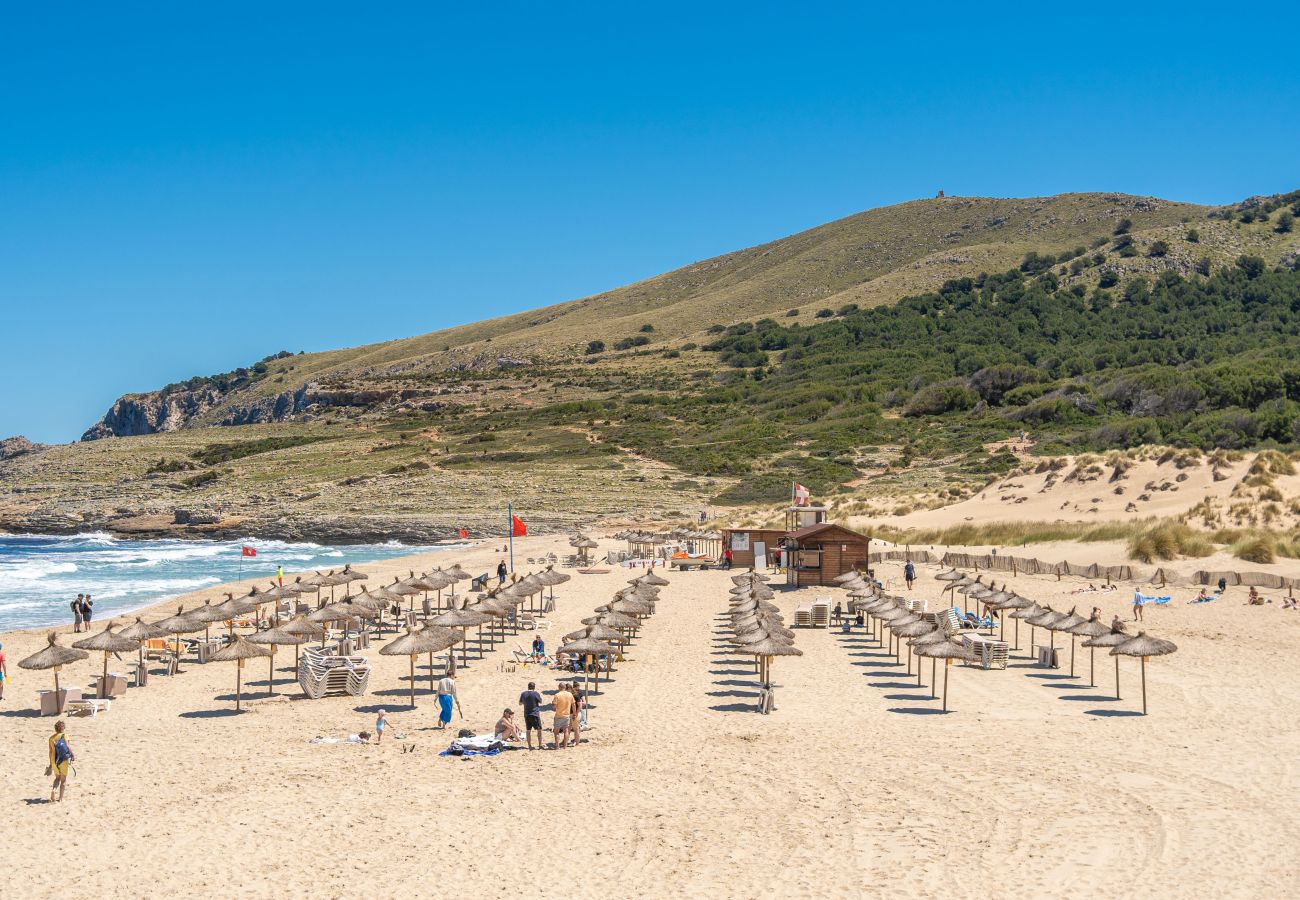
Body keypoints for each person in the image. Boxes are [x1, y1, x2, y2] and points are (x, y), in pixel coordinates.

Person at [47, 720, 74, 803]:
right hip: (63, 760)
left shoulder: (51, 738)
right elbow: (68, 747)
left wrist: (51, 764)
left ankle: (54, 790)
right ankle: (61, 798)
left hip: (55, 761)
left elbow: (51, 752)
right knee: (63, 780)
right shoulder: (65, 736)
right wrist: (72, 754)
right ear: (63, 728)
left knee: (57, 778)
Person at [519, 681, 544, 749]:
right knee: (539, 729)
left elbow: (520, 703)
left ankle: (529, 746)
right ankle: (540, 745)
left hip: (527, 714)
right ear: (534, 687)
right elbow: (541, 701)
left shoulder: (523, 693)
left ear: (528, 686)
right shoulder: (535, 693)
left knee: (528, 730)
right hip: (535, 714)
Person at [552, 682, 575, 750]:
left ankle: (557, 746)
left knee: (556, 732)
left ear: (559, 687)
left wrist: (553, 707)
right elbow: (573, 705)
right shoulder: (570, 694)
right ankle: (565, 746)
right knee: (566, 731)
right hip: (567, 715)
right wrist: (574, 713)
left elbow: (554, 707)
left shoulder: (557, 695)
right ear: (565, 687)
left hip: (558, 715)